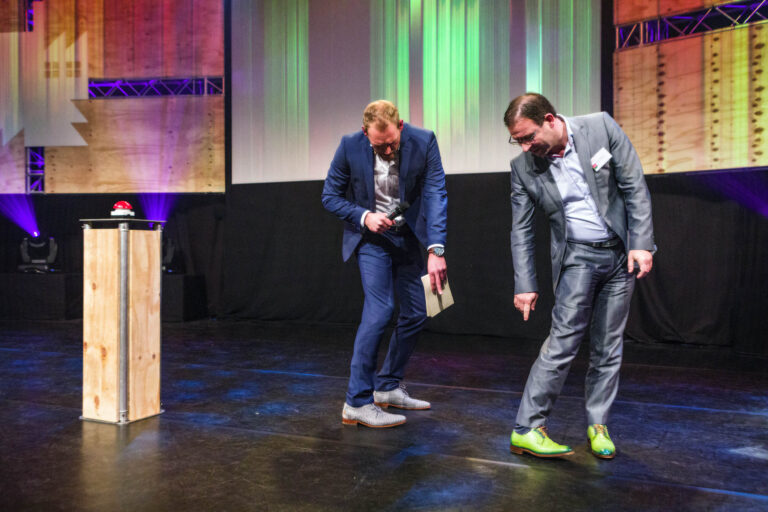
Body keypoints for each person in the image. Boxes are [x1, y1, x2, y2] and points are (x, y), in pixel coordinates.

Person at [504, 93, 655, 459]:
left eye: (529, 137)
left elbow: (634, 185)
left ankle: (598, 424)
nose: (525, 146)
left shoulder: (600, 127)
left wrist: (641, 243)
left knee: (608, 346)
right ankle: (527, 428)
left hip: (620, 256)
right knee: (563, 343)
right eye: (518, 140)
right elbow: (521, 229)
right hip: (578, 259)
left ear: (551, 120)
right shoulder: (524, 167)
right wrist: (525, 284)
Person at [322, 100, 448, 428]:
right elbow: (330, 196)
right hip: (371, 240)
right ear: (366, 133)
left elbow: (435, 192)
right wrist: (364, 216)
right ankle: (357, 402)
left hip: (408, 237)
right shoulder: (349, 146)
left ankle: (388, 386)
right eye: (380, 145)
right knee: (379, 311)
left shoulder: (424, 140)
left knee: (419, 311)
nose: (389, 150)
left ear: (401, 126)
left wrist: (436, 249)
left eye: (392, 142)